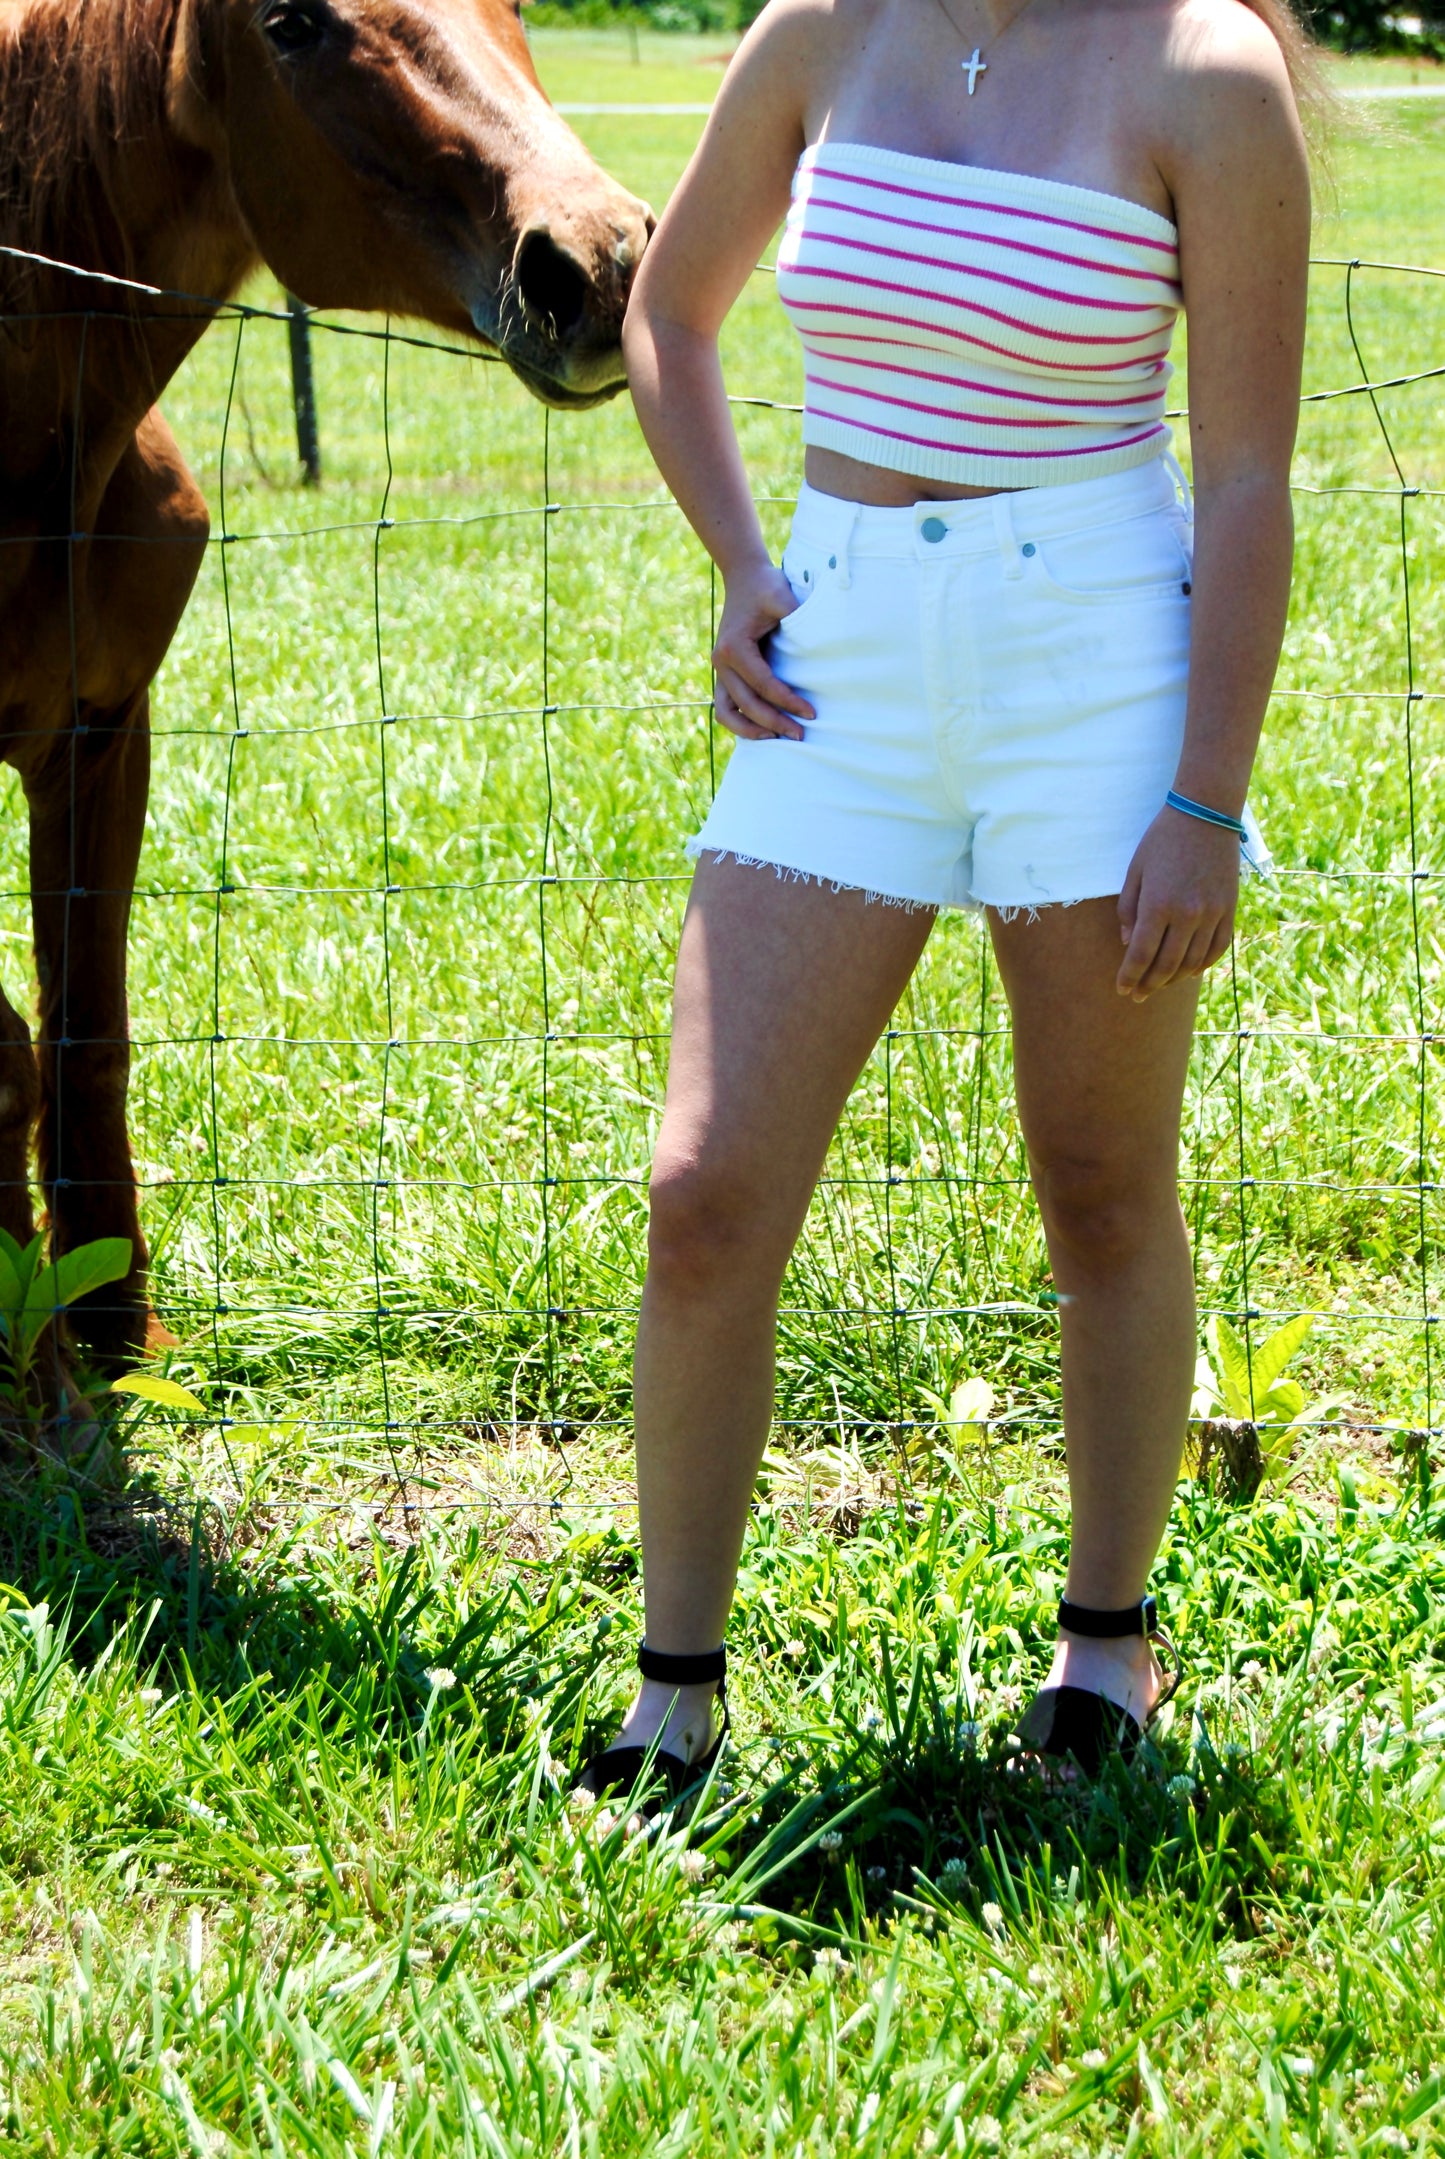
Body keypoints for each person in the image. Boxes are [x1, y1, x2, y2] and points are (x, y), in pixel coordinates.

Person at [579, 0, 1313, 1791]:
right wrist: (744, 562)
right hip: (840, 667)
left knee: (1095, 1182)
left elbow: (1241, 482)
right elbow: (668, 316)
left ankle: (1103, 1655)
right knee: (703, 1185)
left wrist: (1202, 800)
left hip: (1095, 663)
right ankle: (673, 1696)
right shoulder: (820, 30)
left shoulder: (1205, 72)